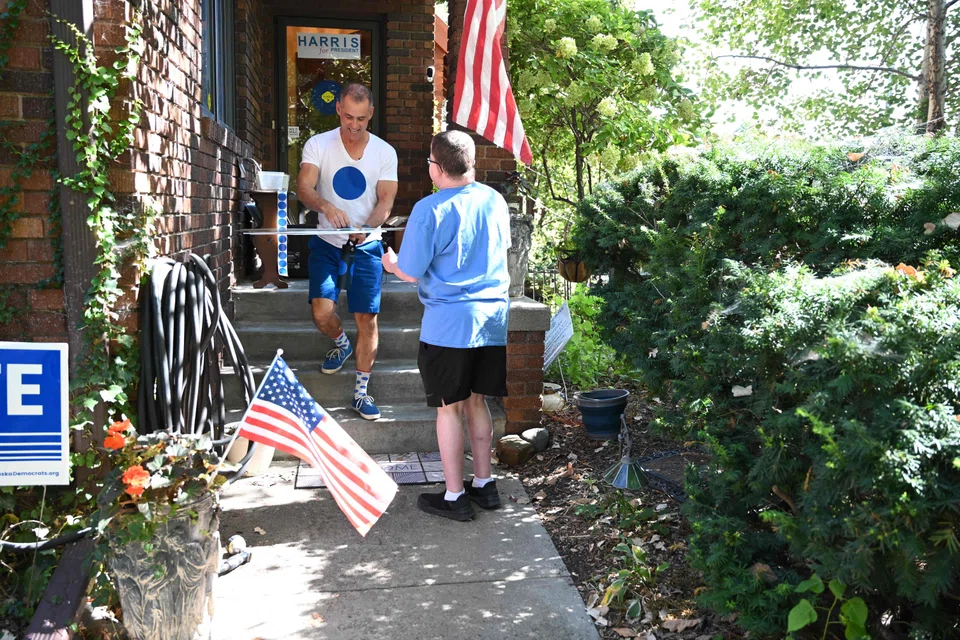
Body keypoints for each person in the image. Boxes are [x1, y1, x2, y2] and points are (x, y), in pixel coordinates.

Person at [382, 130, 510, 521]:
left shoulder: (429, 208)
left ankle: (455, 496)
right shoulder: (495, 200)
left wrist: (391, 264)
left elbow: (411, 270)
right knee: (477, 401)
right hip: (492, 320)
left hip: (449, 324)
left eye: (430, 165)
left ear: (436, 168)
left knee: (448, 409)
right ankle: (484, 486)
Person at [297, 83, 398, 421]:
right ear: (338, 108)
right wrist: (325, 205)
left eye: (362, 119)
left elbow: (386, 201)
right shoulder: (318, 144)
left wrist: (366, 228)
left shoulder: (384, 152)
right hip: (326, 241)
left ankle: (361, 393)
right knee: (322, 312)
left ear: (371, 115)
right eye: (348, 117)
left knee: (367, 319)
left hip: (366, 244)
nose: (354, 126)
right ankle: (340, 343)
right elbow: (304, 187)